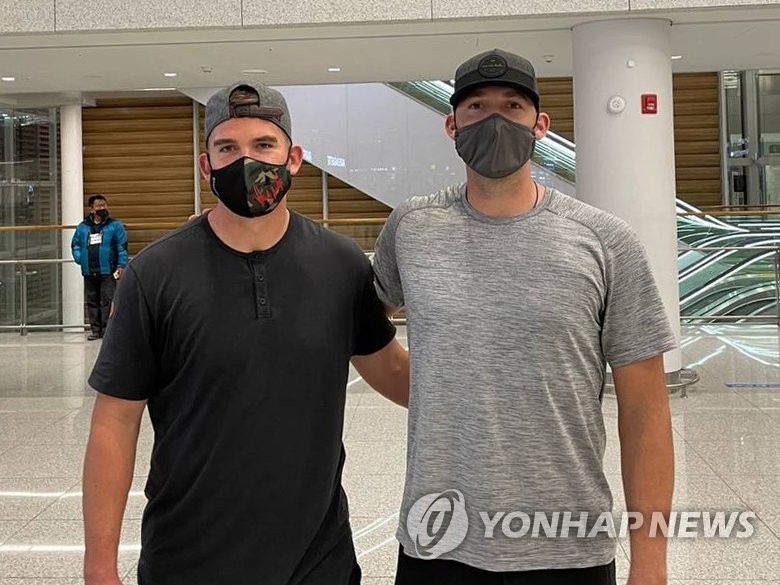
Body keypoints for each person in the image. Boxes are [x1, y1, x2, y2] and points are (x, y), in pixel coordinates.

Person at [82, 81, 409, 585]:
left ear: (293, 159)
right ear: (205, 165)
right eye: (227, 148)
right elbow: (115, 421)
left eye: (263, 145)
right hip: (188, 559)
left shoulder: (340, 264)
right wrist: (99, 567)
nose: (246, 161)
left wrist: (501, 388)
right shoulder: (155, 274)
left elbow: (392, 371)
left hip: (318, 561)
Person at [372, 49, 677, 585]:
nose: (494, 120)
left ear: (540, 126)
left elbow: (645, 408)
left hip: (567, 548)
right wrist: (441, 392)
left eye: (512, 106)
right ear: (451, 126)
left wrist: (650, 564)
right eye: (476, 107)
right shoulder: (412, 227)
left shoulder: (605, 240)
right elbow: (360, 325)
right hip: (436, 539)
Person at [71, 194, 128, 340]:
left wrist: (121, 265)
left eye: (104, 205)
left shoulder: (115, 226)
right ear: (92, 209)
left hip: (108, 270)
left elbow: (122, 247)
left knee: (108, 300)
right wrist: (80, 259)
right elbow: (75, 245)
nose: (102, 208)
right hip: (89, 270)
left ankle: (108, 330)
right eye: (99, 206)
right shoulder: (82, 227)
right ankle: (95, 330)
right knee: (92, 301)